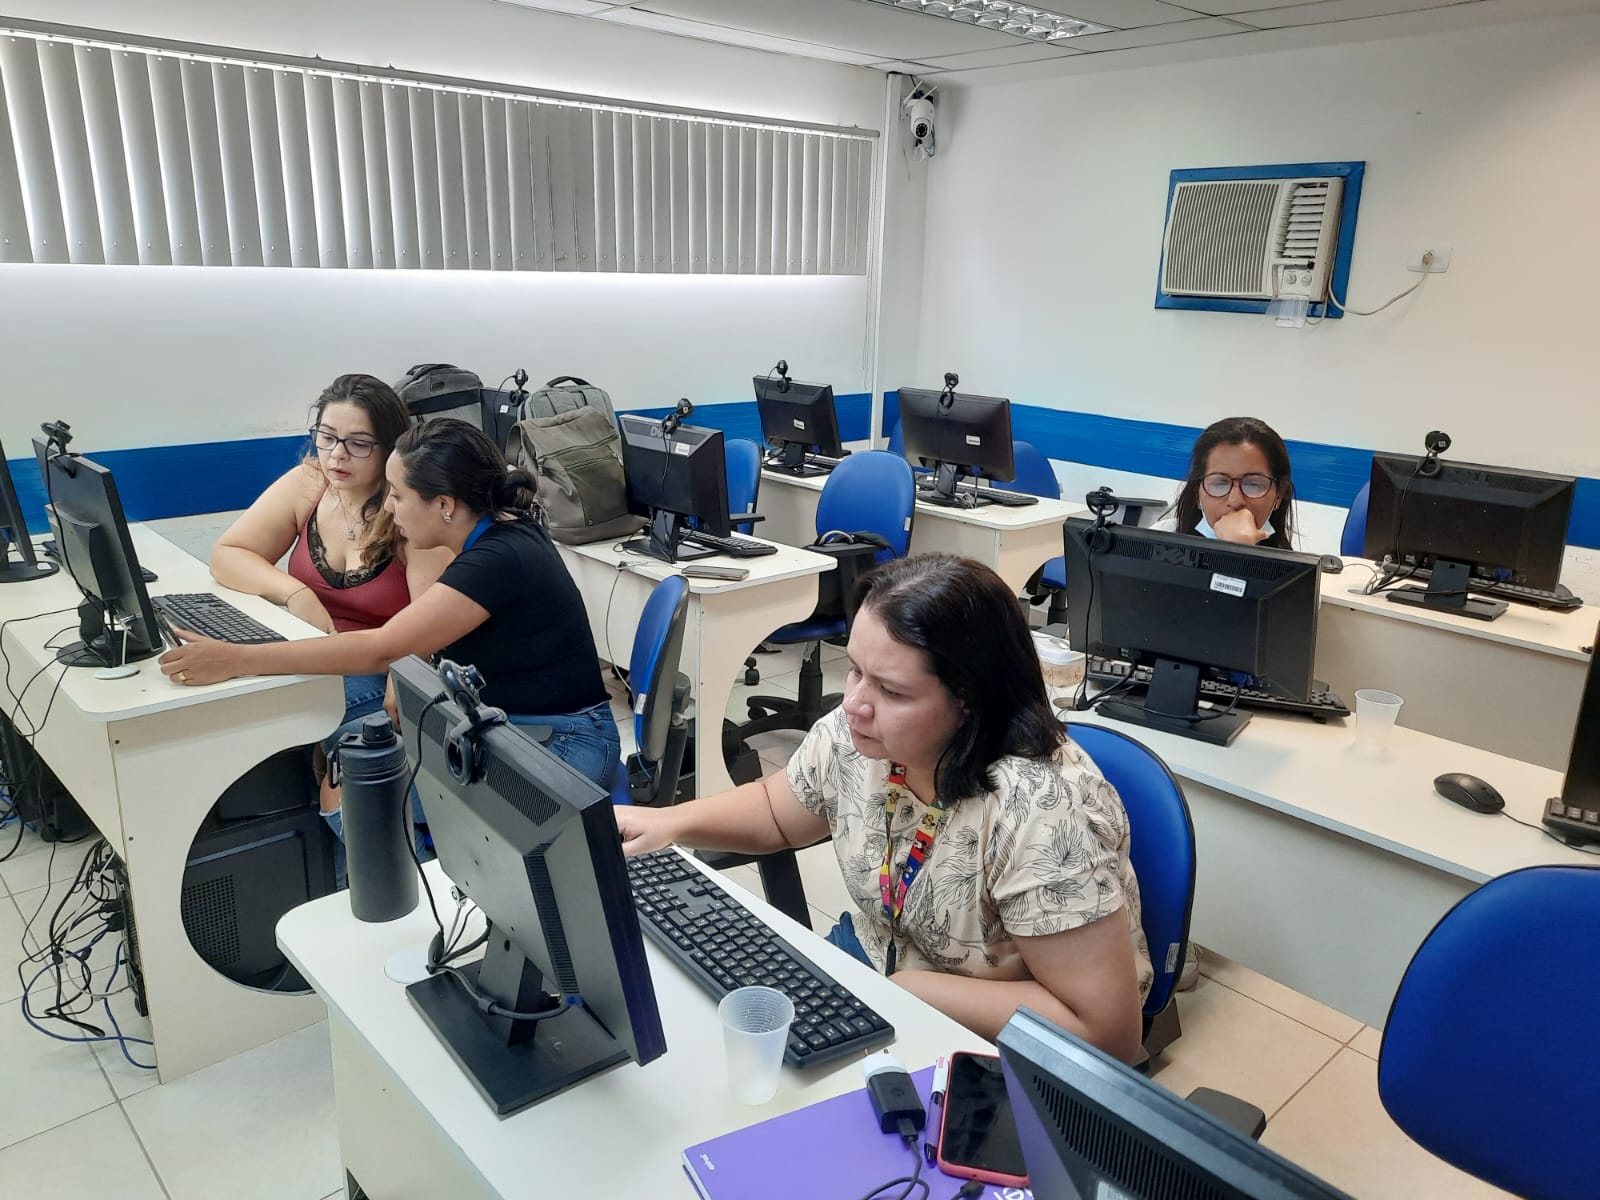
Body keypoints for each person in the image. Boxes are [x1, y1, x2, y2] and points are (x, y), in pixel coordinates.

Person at [616, 554, 1152, 1061]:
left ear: (970, 699)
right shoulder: (857, 735)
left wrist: (911, 989)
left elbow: (1106, 1033)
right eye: (854, 671)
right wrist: (669, 822)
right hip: (881, 964)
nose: (854, 703)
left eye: (892, 691)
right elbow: (779, 813)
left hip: (991, 1030)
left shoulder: (1042, 810)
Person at [160, 418, 620, 792]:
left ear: (444, 503)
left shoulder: (499, 558)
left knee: (359, 793)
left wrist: (239, 658)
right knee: (339, 738)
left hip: (560, 742)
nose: (389, 509)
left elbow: (383, 646)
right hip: (500, 720)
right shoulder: (496, 532)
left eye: (397, 496)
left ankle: (422, 895)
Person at [209, 373, 452, 826]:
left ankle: (394, 884)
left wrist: (404, 686)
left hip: (382, 673)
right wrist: (294, 591)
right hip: (319, 661)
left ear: (389, 448)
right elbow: (228, 554)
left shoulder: (409, 508)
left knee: (351, 791)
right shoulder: (311, 481)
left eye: (359, 443)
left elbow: (429, 627)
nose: (337, 455)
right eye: (327, 437)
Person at [1160, 416, 1297, 549]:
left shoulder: (1296, 568)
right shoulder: (1163, 536)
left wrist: (1240, 552)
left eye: (1253, 484)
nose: (1236, 501)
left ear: (1279, 494)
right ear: (1197, 493)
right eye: (1220, 483)